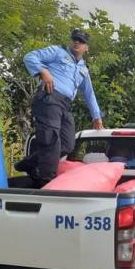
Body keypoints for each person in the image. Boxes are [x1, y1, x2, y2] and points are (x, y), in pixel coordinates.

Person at [15, 29, 103, 186]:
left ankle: (28, 164)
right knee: (51, 140)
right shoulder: (57, 52)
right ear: (71, 41)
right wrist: (43, 71)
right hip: (49, 98)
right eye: (75, 39)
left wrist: (96, 116)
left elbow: (89, 93)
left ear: (86, 48)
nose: (77, 42)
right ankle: (47, 182)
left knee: (68, 144)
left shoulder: (83, 68)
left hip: (65, 105)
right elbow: (30, 57)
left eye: (81, 41)